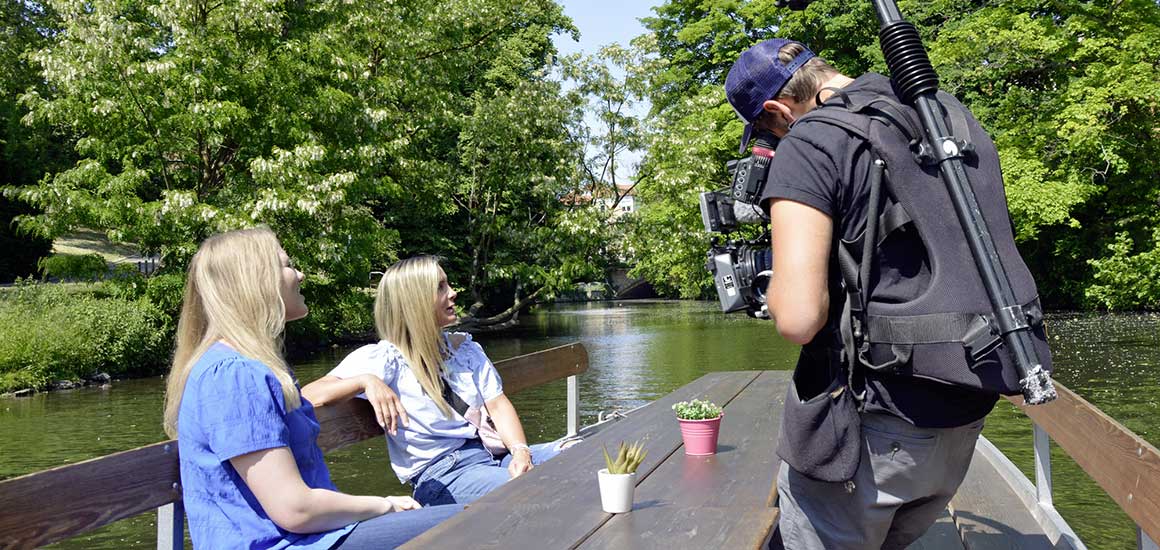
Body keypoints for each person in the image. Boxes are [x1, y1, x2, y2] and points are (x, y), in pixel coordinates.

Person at [725, 39, 1050, 549]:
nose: (774, 139)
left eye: (768, 130)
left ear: (775, 109)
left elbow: (799, 319)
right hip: (967, 409)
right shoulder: (941, 111)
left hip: (875, 425)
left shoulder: (811, 142)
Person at [162, 227, 461, 549]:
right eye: (287, 265)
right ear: (256, 281)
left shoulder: (250, 367)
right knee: (472, 523)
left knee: (480, 519)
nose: (300, 274)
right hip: (282, 543)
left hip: (308, 538)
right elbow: (295, 509)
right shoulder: (234, 376)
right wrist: (385, 504)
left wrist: (362, 381)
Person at [302, 255, 577, 506]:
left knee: (583, 455)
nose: (453, 293)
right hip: (442, 475)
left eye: (448, 285)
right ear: (414, 301)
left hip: (492, 455)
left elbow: (498, 405)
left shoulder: (465, 349)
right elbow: (310, 394)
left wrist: (520, 452)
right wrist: (365, 382)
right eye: (440, 287)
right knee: (539, 491)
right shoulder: (385, 358)